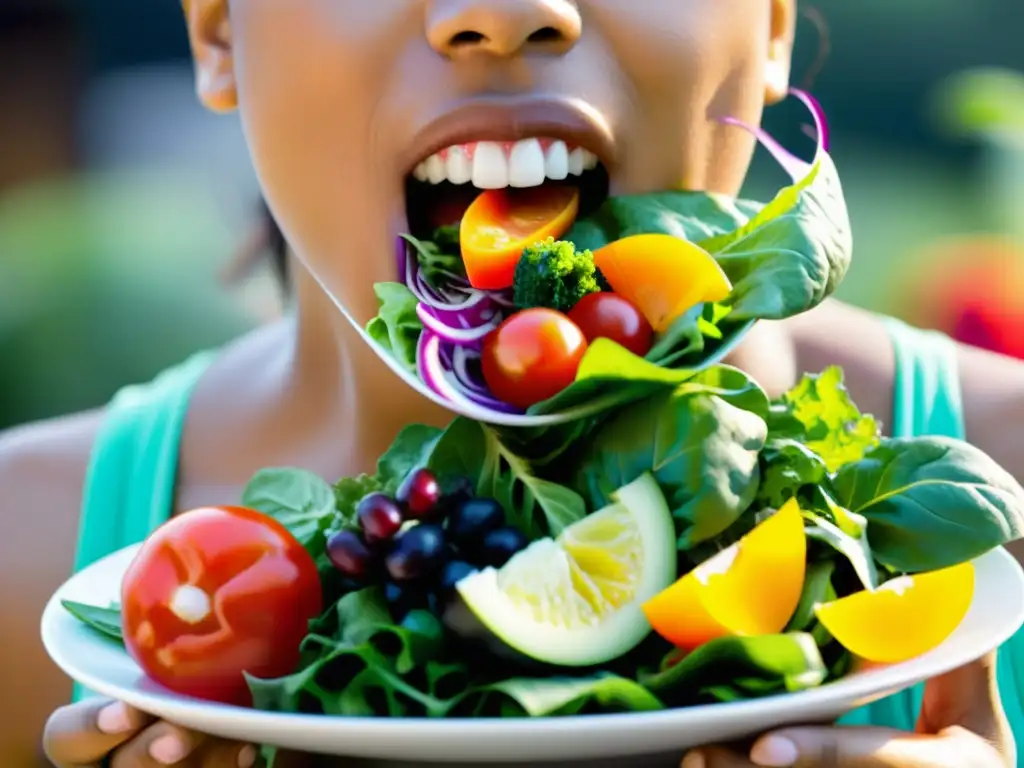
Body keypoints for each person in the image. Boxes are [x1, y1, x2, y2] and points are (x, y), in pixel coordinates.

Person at [2, 0, 1022, 766]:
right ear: (220, 29)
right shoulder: (18, 563)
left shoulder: (1004, 486)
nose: (506, 10)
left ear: (768, 24)